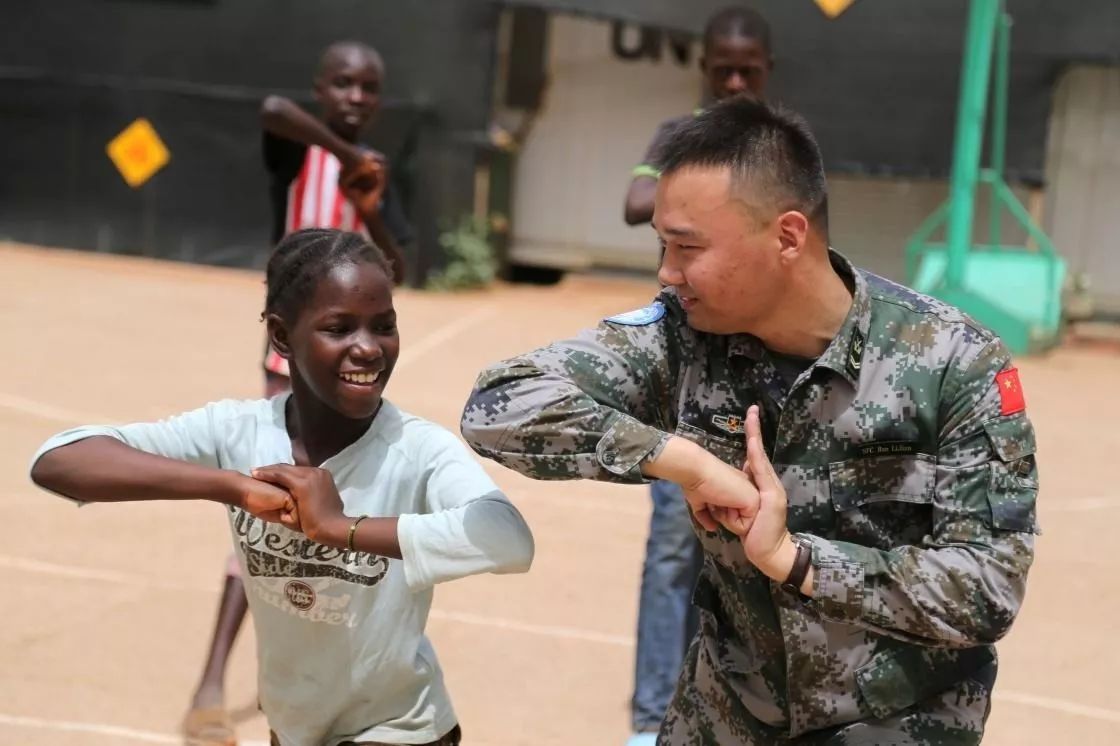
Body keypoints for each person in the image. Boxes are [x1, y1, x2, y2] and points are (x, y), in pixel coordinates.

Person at [462, 96, 1038, 744]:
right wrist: (688, 463)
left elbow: (986, 590)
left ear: (787, 236)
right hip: (726, 715)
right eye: (662, 245)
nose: (666, 272)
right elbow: (498, 403)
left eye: (687, 248)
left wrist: (795, 559)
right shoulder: (686, 335)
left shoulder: (954, 363)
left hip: (892, 723)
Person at [30, 228, 535, 746]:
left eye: (384, 327)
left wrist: (343, 528)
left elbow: (509, 537)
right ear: (281, 337)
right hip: (295, 728)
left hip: (400, 729)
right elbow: (60, 460)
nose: (368, 348)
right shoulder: (239, 431)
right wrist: (230, 487)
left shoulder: (417, 449)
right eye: (338, 328)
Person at [184, 40, 417, 745]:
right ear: (322, 89)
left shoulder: (374, 171)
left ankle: (305, 681)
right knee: (264, 509)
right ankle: (211, 681)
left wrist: (369, 200)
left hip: (350, 382)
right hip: (287, 370)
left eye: (367, 87)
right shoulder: (300, 153)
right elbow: (272, 109)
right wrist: (343, 156)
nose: (354, 97)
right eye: (342, 83)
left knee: (327, 523)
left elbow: (401, 260)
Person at [620, 8, 773, 743]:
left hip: (766, 376)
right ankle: (650, 720)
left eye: (748, 69)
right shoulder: (676, 141)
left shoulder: (779, 147)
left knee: (757, 546)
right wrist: (711, 196)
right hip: (685, 373)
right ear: (704, 69)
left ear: (768, 70)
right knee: (673, 546)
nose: (735, 80)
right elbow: (633, 204)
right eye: (723, 69)